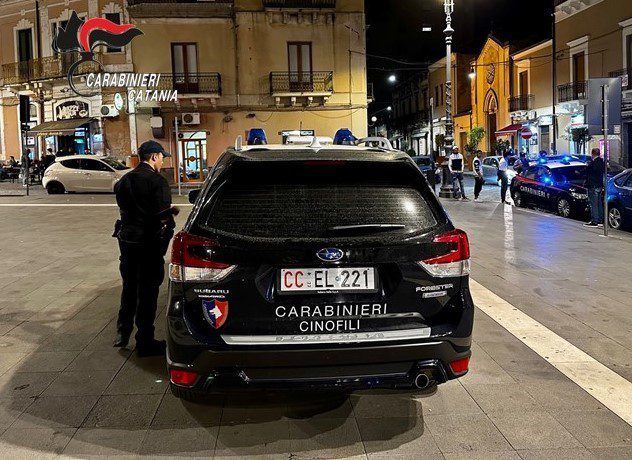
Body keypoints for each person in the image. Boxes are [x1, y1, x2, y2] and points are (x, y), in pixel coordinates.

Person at [113, 140, 179, 356]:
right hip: (148, 244)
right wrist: (169, 226)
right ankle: (145, 341)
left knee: (129, 287)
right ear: (153, 157)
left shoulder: (124, 181)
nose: (162, 161)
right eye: (161, 157)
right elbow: (161, 217)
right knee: (148, 292)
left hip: (127, 243)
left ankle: (122, 333)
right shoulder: (157, 182)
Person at [584, 147, 605, 228]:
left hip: (593, 185)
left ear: (592, 154)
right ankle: (600, 220)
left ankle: (594, 221)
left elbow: (588, 171)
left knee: (593, 203)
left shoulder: (593, 163)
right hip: (599, 185)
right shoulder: (601, 162)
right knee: (599, 203)